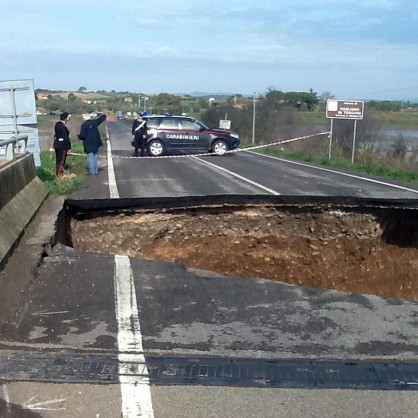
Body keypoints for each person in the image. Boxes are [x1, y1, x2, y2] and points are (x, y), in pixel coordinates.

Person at [53, 112, 71, 176]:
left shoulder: (57, 124)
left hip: (57, 144)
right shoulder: (63, 126)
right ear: (65, 118)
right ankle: (59, 175)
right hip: (62, 145)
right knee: (62, 160)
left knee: (58, 160)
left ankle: (57, 173)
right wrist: (69, 147)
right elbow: (65, 138)